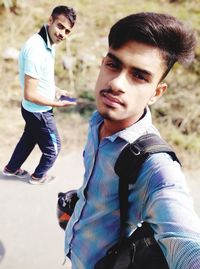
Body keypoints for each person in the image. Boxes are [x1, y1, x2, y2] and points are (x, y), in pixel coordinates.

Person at [64, 12, 200, 269]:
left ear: (156, 93)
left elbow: (184, 239)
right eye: (113, 65)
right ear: (103, 63)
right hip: (76, 255)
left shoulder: (156, 165)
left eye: (139, 76)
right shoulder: (97, 122)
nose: (116, 83)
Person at [3, 5, 77, 184]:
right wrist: (58, 103)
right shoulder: (36, 50)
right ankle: (38, 177)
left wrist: (56, 91)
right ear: (50, 21)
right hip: (39, 111)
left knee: (29, 139)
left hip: (32, 109)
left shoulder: (47, 43)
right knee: (54, 148)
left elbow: (40, 79)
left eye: (67, 31)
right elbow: (30, 94)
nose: (62, 34)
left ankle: (11, 168)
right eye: (60, 26)